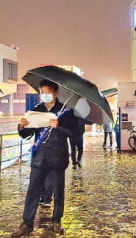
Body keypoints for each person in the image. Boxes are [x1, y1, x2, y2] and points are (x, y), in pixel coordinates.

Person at [12, 80, 81, 237]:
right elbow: (26, 134)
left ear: (56, 93)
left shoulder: (66, 111)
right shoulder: (37, 109)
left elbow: (76, 133)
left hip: (58, 157)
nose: (45, 95)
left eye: (48, 92)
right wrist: (22, 126)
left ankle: (56, 221)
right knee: (32, 191)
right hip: (39, 157)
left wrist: (59, 126)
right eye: (42, 92)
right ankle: (27, 223)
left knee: (58, 191)